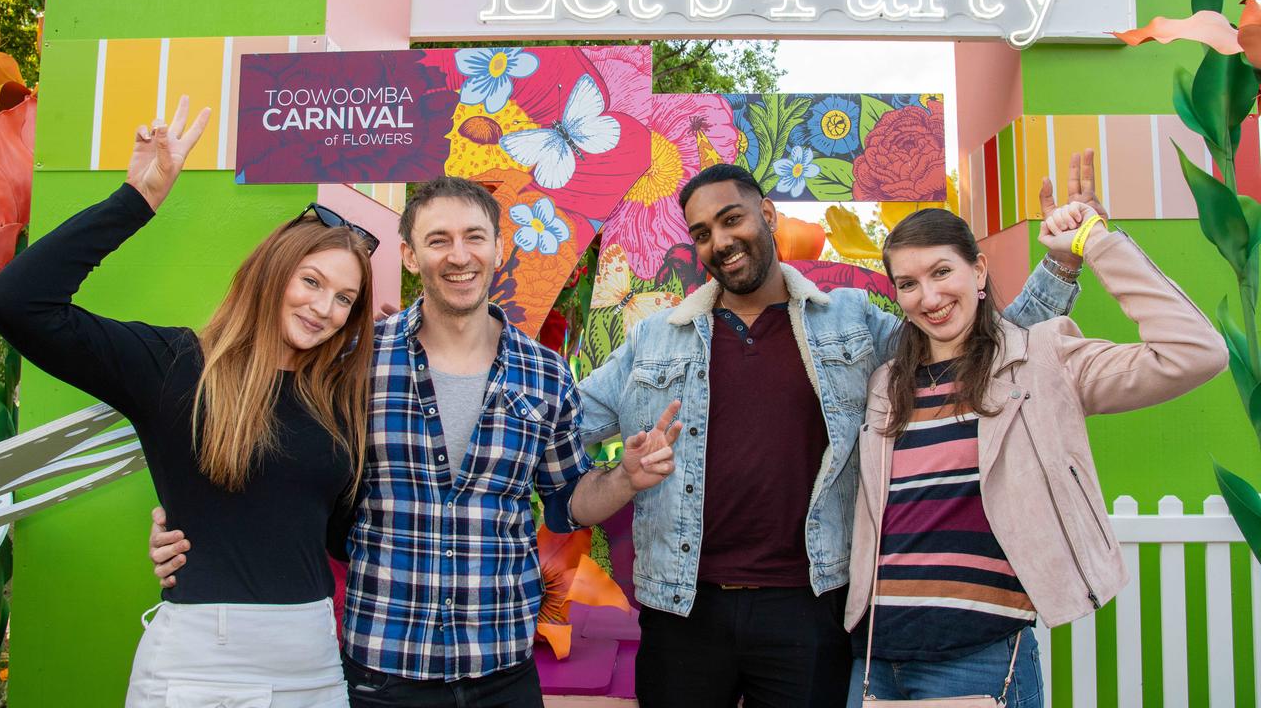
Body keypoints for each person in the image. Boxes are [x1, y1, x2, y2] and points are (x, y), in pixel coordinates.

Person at [152, 174, 683, 708]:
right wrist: (191, 524)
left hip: (502, 668)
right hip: (382, 669)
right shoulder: (352, 363)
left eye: (475, 237)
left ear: (498, 247)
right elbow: (277, 462)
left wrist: (625, 479)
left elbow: (568, 505)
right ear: (409, 255)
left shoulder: (545, 373)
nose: (459, 255)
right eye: (438, 240)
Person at [572, 162, 1085, 707]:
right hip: (682, 608)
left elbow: (979, 351)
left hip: (810, 607)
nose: (720, 242)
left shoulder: (850, 321)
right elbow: (566, 424)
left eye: (731, 220)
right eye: (702, 233)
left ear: (767, 216)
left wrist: (1061, 265)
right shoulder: (654, 338)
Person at [0, 97, 378, 706]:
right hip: (201, 667)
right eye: (312, 282)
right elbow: (17, 302)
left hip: (314, 664)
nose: (324, 309)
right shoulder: (177, 366)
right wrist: (136, 200)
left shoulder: (338, 401)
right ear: (272, 274)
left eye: (345, 299)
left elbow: (339, 537)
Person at [842, 172, 1227, 706]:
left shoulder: (1042, 362)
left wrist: (1094, 241)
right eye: (908, 283)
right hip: (873, 658)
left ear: (978, 270)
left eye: (941, 271)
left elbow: (1194, 352)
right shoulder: (887, 384)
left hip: (978, 657)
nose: (928, 297)